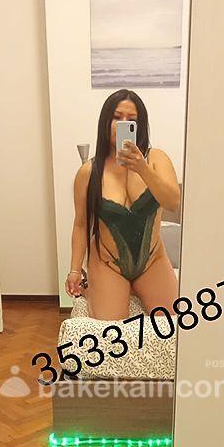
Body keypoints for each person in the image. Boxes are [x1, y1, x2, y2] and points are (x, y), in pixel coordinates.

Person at [65, 89, 181, 319]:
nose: (122, 124)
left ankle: (129, 287)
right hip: (108, 263)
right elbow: (80, 224)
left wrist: (142, 168)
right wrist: (75, 270)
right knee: (112, 331)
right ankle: (92, 287)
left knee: (175, 322)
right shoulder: (88, 172)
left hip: (152, 260)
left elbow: (173, 202)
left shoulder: (156, 159)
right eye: (117, 117)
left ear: (140, 125)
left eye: (131, 119)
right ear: (105, 122)